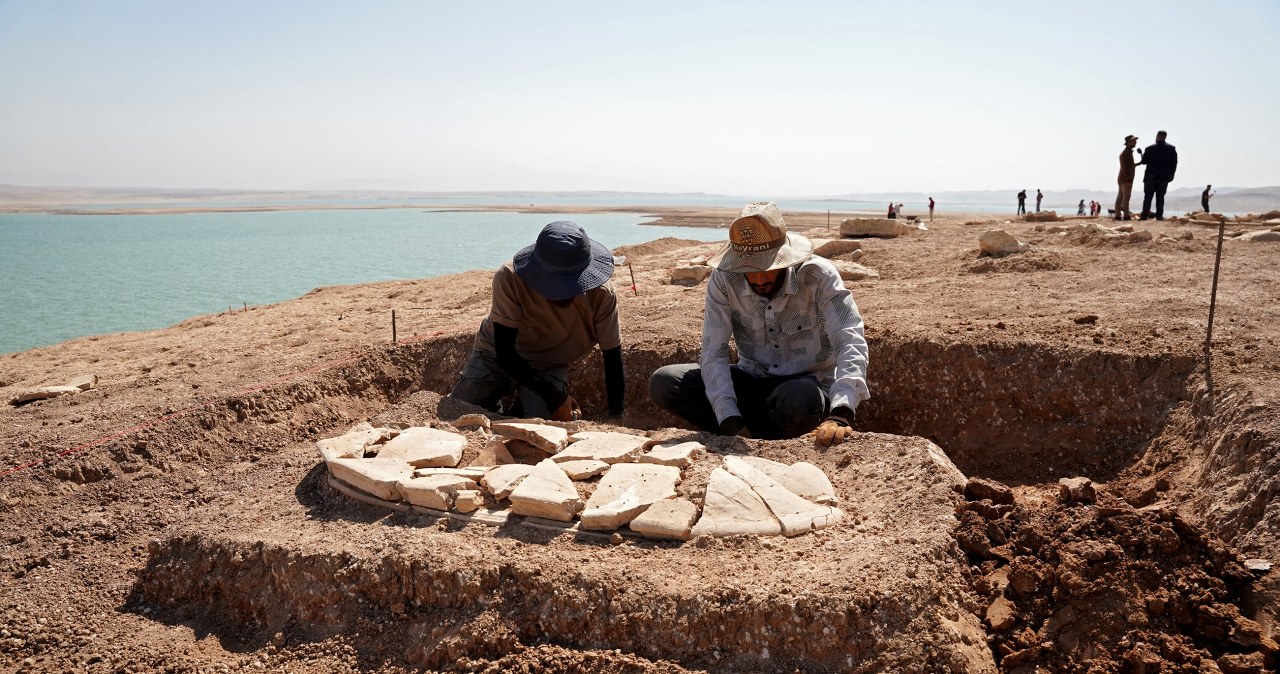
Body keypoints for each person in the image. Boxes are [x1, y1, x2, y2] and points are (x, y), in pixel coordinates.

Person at [649, 202, 869, 447]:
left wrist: (842, 412)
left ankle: (777, 440)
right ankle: (748, 434)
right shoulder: (724, 280)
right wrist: (728, 417)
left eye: (767, 267)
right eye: (749, 268)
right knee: (666, 382)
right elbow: (714, 351)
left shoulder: (818, 276)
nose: (759, 278)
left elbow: (849, 337)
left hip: (806, 384)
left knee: (798, 398)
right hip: (752, 379)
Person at [449, 220, 624, 421]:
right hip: (496, 355)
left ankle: (519, 409)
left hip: (550, 363)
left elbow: (612, 356)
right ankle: (497, 409)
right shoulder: (510, 278)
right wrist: (555, 396)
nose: (563, 292)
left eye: (571, 284)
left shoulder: (602, 294)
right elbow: (505, 353)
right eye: (556, 285)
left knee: (540, 422)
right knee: (461, 410)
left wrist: (616, 416)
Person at [1139, 130, 1178, 220]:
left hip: (1150, 177)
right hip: (1164, 177)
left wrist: (1142, 154)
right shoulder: (1171, 149)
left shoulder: (1149, 148)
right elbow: (1174, 163)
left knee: (1148, 197)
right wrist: (1172, 174)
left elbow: (1144, 161)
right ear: (1165, 137)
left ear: (1157, 136)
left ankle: (1144, 215)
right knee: (1160, 197)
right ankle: (1159, 216)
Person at [1115, 134, 1139, 221]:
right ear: (1128, 142)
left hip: (1123, 178)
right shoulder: (1125, 153)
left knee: (1121, 197)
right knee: (1126, 197)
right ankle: (1126, 215)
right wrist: (1128, 178)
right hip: (1125, 179)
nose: (1135, 142)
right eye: (1133, 141)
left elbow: (1129, 166)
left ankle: (1118, 215)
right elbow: (1124, 167)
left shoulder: (1127, 153)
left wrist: (1138, 163)